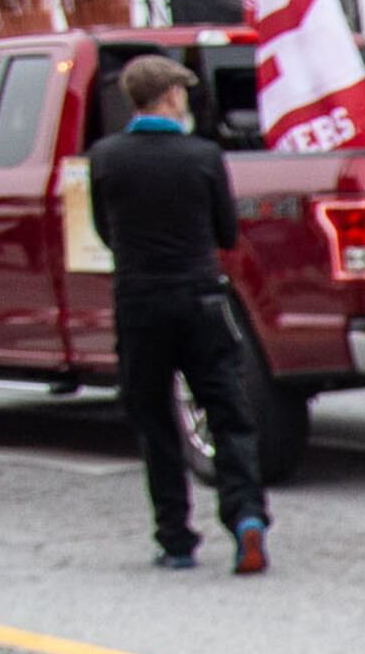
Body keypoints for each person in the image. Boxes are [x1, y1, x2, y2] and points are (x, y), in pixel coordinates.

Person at [87, 54, 271, 576]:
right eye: (182, 93)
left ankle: (175, 538)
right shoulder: (203, 156)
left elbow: (105, 228)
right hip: (199, 298)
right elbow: (226, 233)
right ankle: (246, 517)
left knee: (154, 419)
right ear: (169, 96)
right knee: (228, 412)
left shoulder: (105, 158)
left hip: (140, 301)